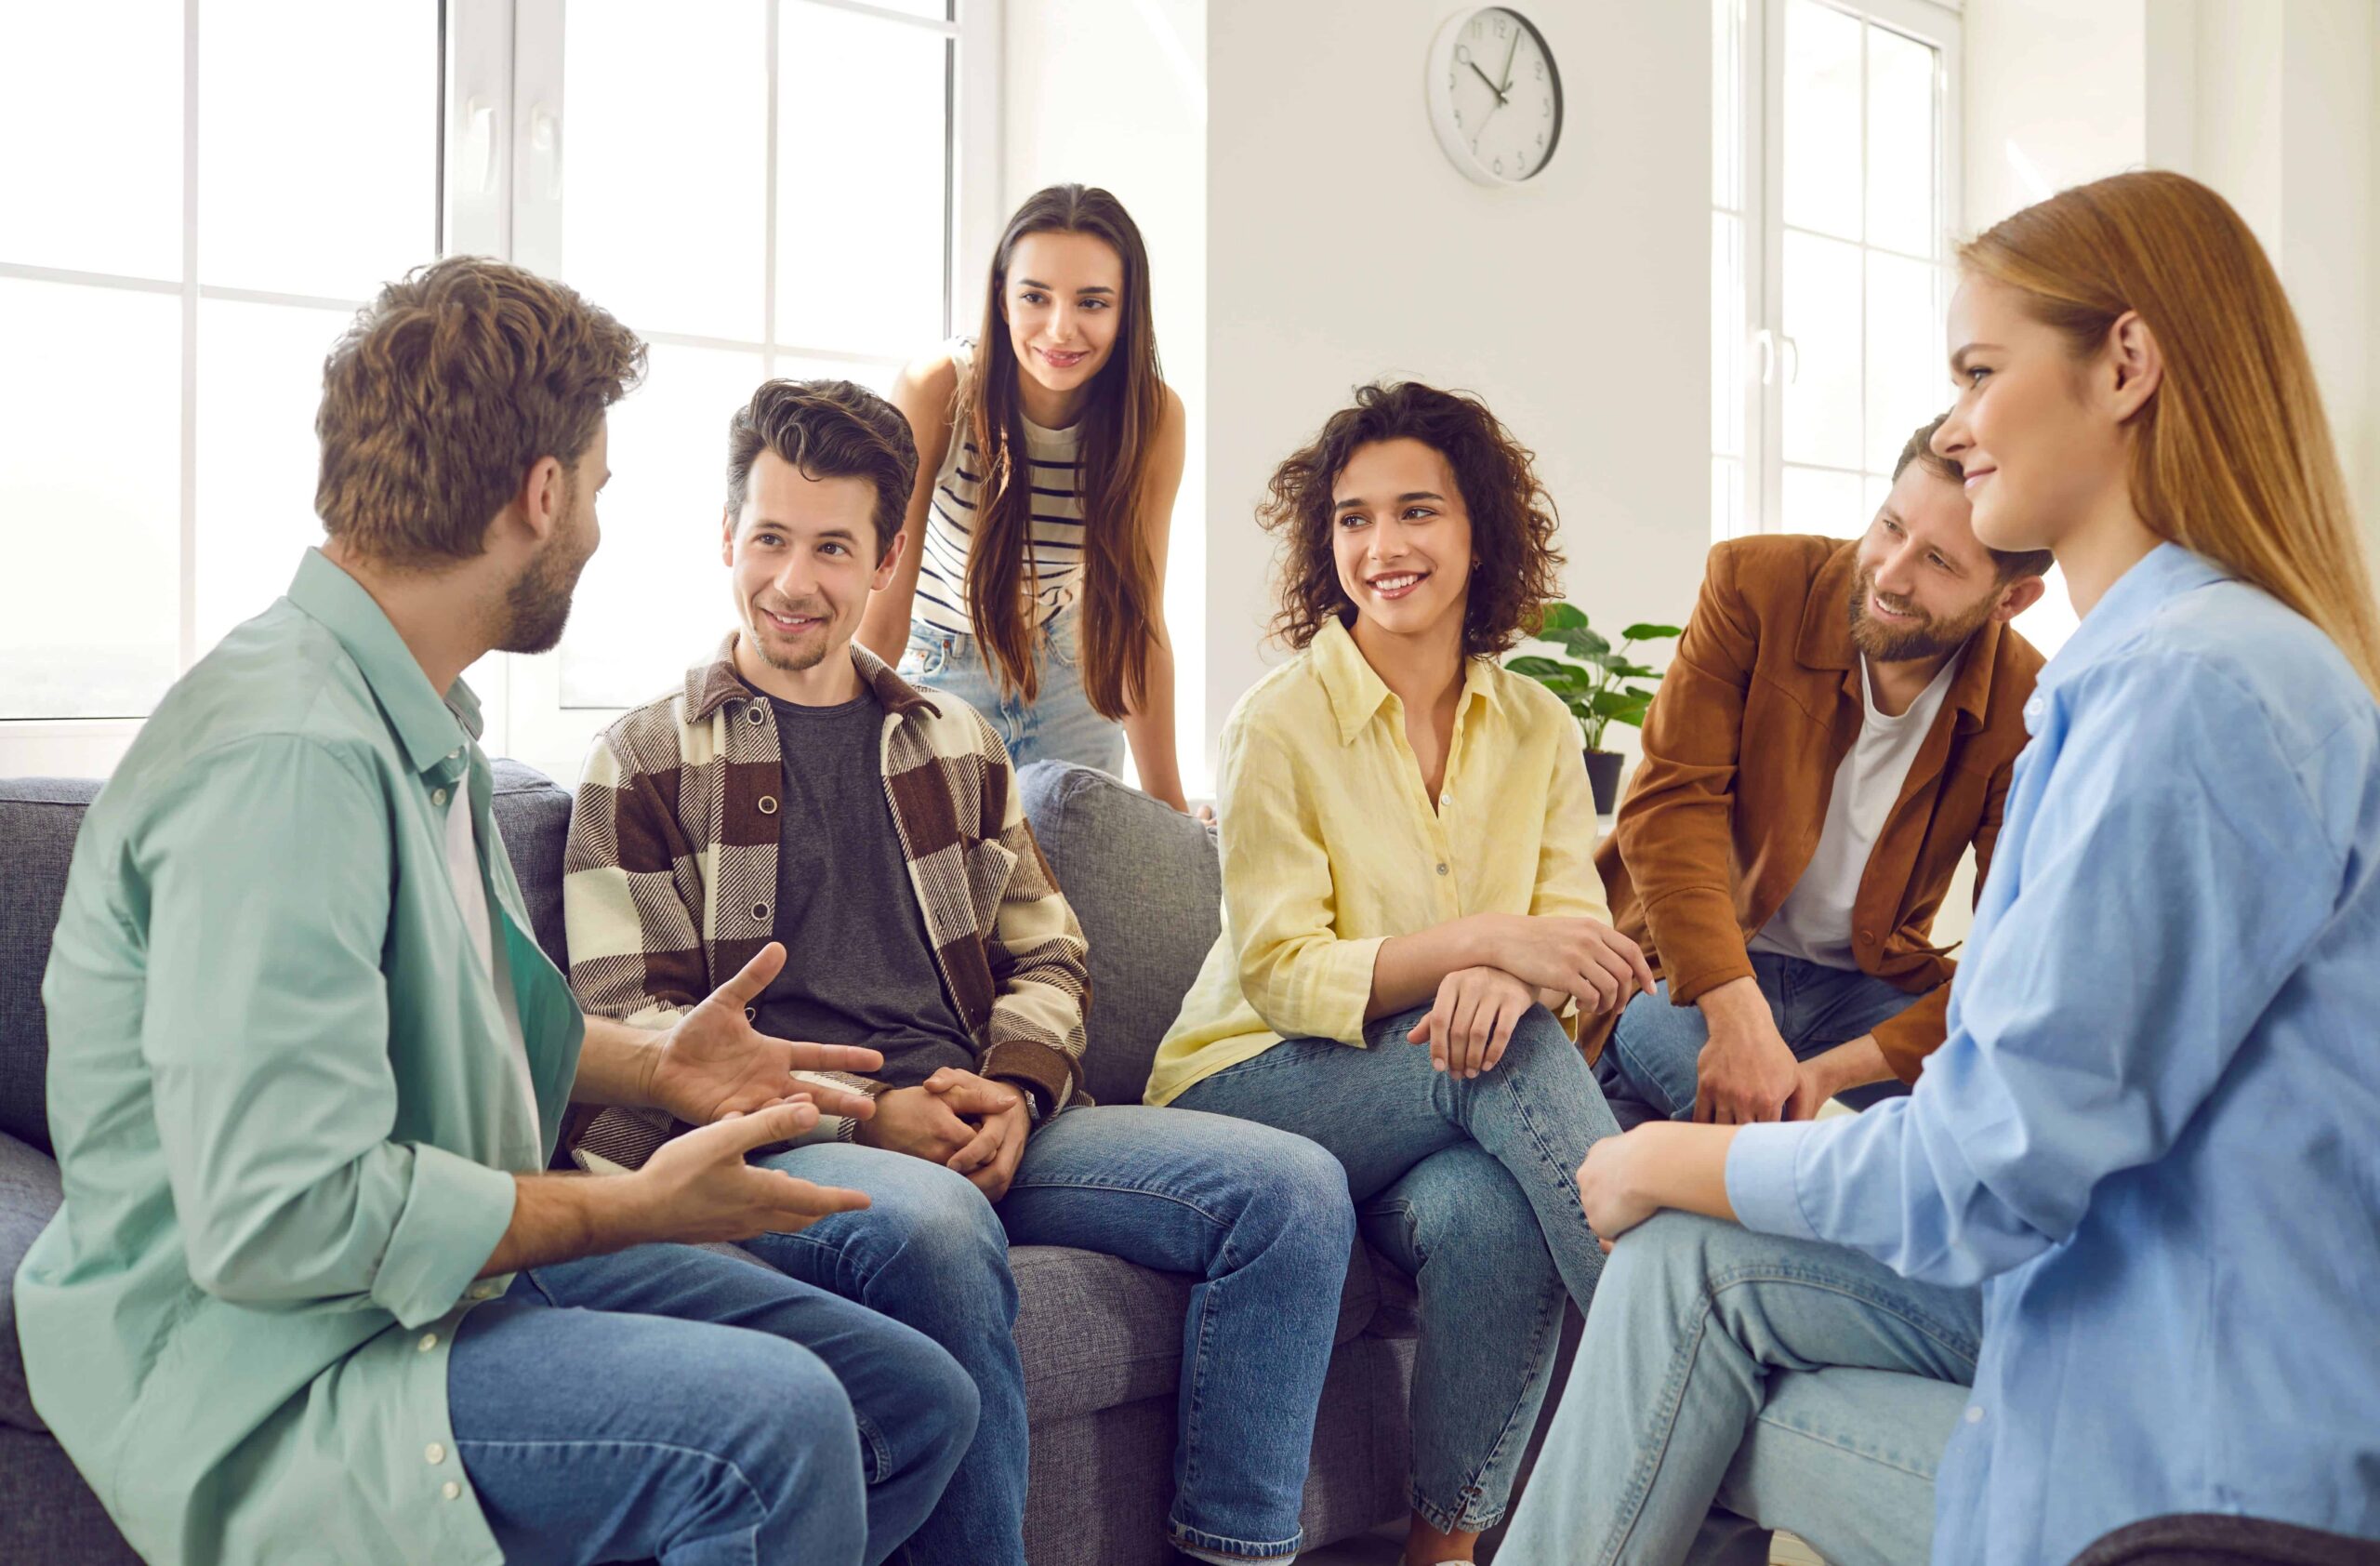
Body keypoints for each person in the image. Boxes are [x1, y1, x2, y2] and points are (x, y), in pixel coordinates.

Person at [14, 259, 979, 1566]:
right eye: (594, 487)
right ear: (538, 495)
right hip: (281, 1355)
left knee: (916, 1402)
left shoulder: (411, 711)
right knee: (780, 1426)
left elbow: (451, 1013)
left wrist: (659, 1063)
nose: (593, 521)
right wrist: (629, 1208)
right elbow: (283, 1219)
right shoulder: (290, 758)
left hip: (437, 1273)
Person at [1505, 170, 2380, 1566]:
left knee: (1680, 1274)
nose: (1960, 427)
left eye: (1981, 370)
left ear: (2127, 364)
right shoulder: (2160, 669)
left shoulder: (2196, 691)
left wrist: (1687, 1153)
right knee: (1684, 1302)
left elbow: (1989, 1163)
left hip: (2197, 1443)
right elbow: (1676, 810)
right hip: (2098, 1307)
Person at [562, 376, 1356, 1566]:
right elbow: (638, 1026)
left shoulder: (950, 737)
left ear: (885, 560)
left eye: (834, 547)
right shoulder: (641, 761)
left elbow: (1048, 945)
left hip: (992, 1113)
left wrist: (1020, 1086)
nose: (794, 580)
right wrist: (867, 1114)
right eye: (771, 538)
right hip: (789, 1141)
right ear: (727, 538)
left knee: (1294, 1193)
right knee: (934, 1231)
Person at [1148, 381, 1655, 1566]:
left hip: (1427, 1087)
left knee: (1490, 1219)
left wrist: (1513, 974)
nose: (1382, 546)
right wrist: (1483, 946)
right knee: (1507, 1056)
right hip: (1251, 1082)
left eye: (1415, 511)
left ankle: (1441, 1556)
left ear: (1479, 528)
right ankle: (1666, 1331)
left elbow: (1575, 945)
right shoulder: (1278, 722)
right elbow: (1280, 971)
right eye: (1352, 519)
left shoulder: (1535, 725)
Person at [1591, 416, 2047, 1129]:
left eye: (1940, 562)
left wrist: (1826, 1074)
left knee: (2010, 1124)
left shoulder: (2029, 701)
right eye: (1891, 527)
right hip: (1696, 967)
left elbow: (2014, 949)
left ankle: (1637, 1127)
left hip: (1867, 990)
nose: (1891, 575)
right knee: (1744, 1116)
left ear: (2010, 600)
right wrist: (1739, 1020)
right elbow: (1670, 808)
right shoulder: (1754, 583)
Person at [858, 182, 1195, 811]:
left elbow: (1138, 621)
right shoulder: (937, 390)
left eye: (1092, 302)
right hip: (939, 667)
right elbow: (881, 609)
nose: (1061, 329)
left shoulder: (1153, 418)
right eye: (1035, 297)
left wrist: (1169, 814)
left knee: (1078, 897)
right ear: (1003, 301)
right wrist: (833, 762)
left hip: (1070, 673)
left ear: (1126, 313)